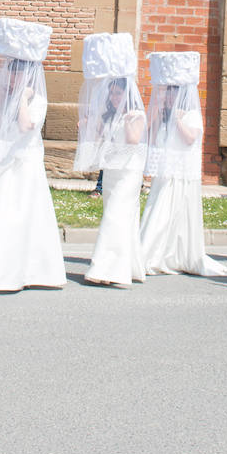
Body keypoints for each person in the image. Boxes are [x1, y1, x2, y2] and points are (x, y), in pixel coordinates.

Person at [0, 18, 65, 290]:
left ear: (27, 74)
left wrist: (21, 98)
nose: (10, 76)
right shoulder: (8, 96)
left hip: (26, 162)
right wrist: (3, 100)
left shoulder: (38, 100)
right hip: (7, 159)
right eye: (10, 71)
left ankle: (26, 271)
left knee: (24, 214)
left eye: (15, 71)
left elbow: (26, 126)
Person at [138, 52, 227, 277]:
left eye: (172, 95)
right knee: (157, 208)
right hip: (165, 171)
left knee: (173, 211)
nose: (168, 99)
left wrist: (177, 119)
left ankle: (170, 254)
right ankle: (152, 252)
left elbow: (190, 138)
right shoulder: (163, 115)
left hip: (181, 172)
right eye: (167, 95)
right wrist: (158, 117)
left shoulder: (190, 114)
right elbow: (151, 136)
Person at [74, 33, 147, 287]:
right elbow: (100, 138)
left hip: (129, 172)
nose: (115, 98)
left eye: (119, 94)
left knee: (115, 215)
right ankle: (129, 266)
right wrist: (86, 125)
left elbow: (134, 140)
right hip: (113, 171)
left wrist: (127, 120)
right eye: (113, 94)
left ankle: (106, 268)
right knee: (119, 216)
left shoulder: (135, 113)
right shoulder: (109, 115)